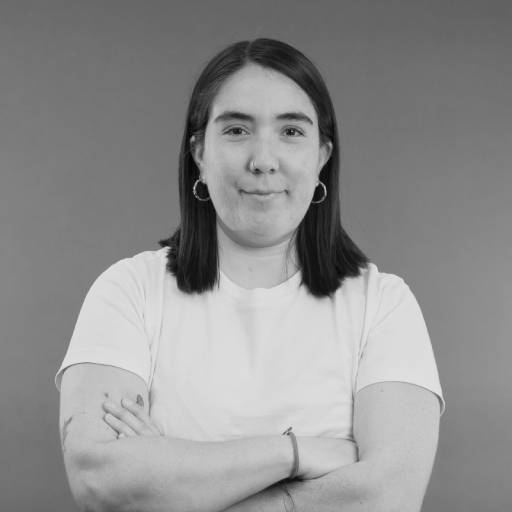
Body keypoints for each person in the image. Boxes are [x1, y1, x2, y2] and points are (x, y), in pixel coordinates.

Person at [56, 38, 446, 512]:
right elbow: (100, 480)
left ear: (323, 155)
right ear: (199, 153)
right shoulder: (128, 291)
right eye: (237, 130)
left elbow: (388, 494)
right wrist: (298, 453)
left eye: (291, 131)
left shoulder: (382, 305)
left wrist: (173, 477)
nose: (263, 160)